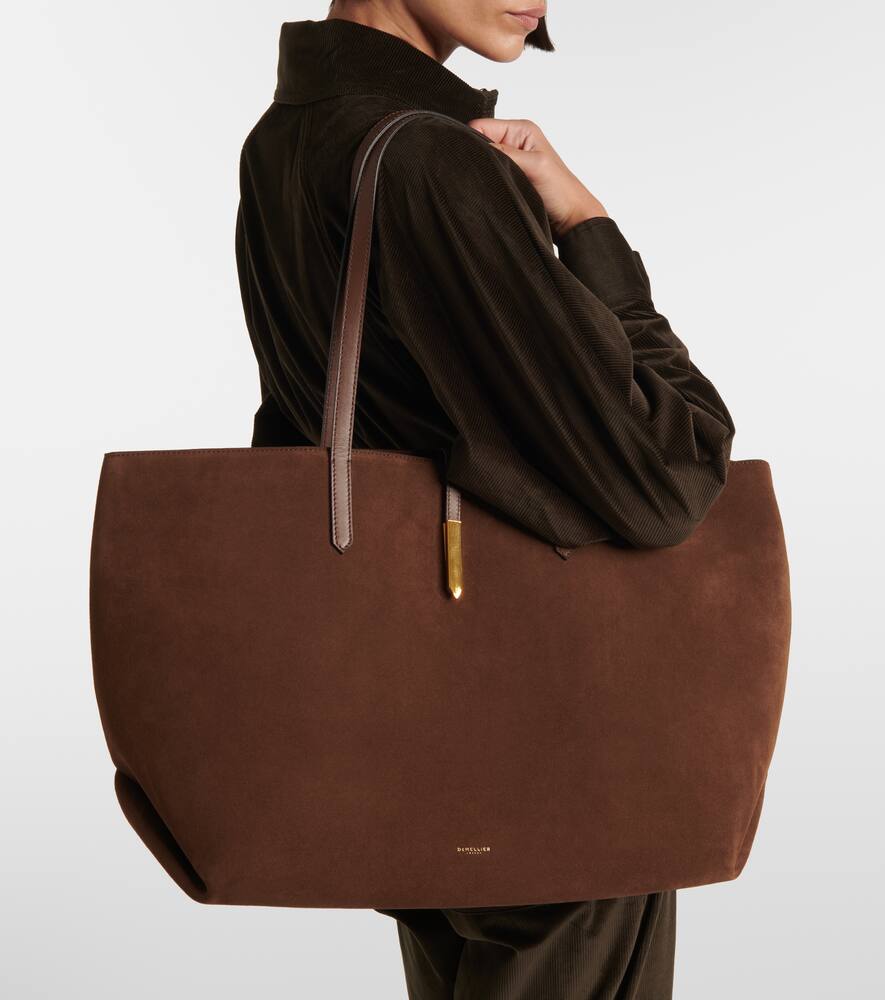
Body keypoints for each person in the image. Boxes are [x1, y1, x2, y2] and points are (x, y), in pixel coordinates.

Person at [235, 4, 736, 997]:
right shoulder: (430, 162)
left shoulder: (284, 136)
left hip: (408, 725)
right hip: (546, 765)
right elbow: (665, 477)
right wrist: (586, 226)